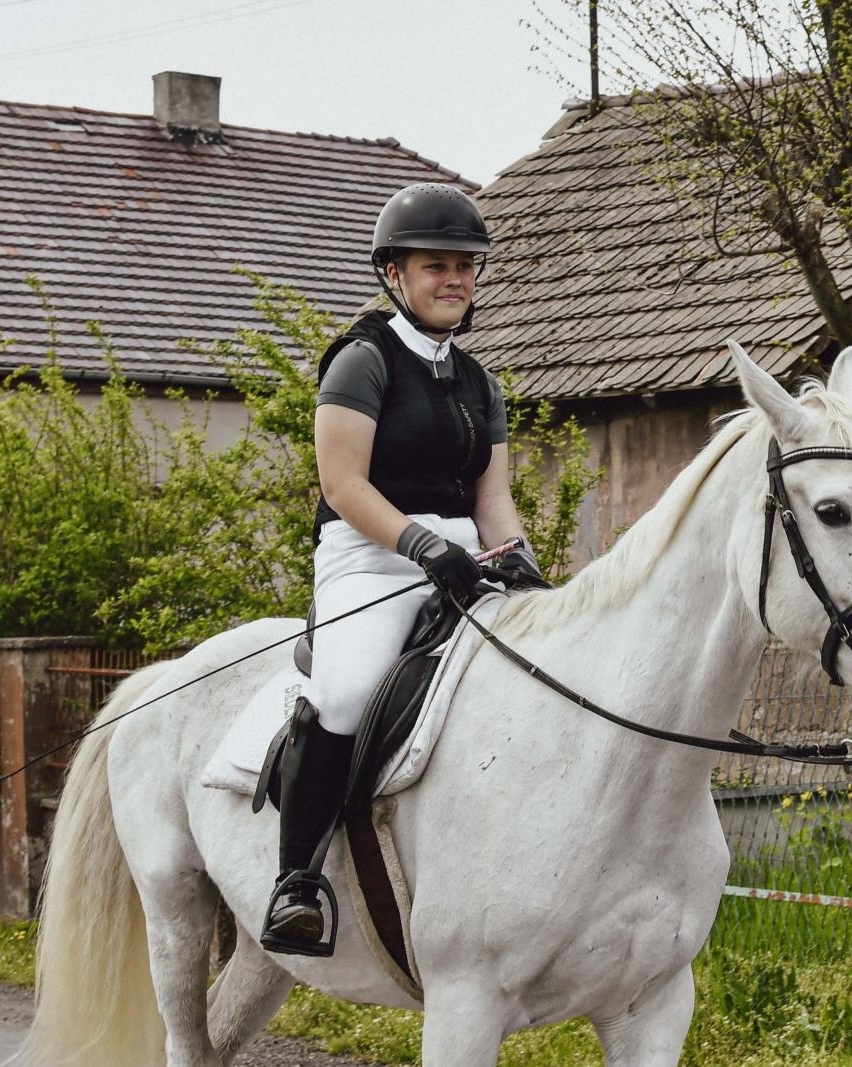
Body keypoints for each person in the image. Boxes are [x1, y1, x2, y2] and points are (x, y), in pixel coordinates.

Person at [262, 182, 542, 954]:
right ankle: (298, 882)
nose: (455, 279)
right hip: (370, 557)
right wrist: (420, 546)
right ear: (395, 274)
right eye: (436, 266)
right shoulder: (363, 359)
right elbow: (342, 483)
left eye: (466, 266)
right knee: (349, 691)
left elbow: (495, 498)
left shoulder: (481, 382)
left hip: (461, 558)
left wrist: (521, 565)